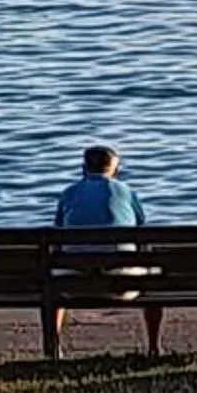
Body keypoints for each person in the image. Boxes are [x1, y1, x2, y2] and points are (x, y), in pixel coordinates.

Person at [52, 145, 162, 356]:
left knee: (53, 281)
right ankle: (154, 348)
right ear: (116, 170)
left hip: (73, 286)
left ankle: (54, 348)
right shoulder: (128, 193)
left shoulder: (68, 194)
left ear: (84, 169)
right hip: (122, 284)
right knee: (153, 275)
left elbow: (58, 240)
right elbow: (142, 236)